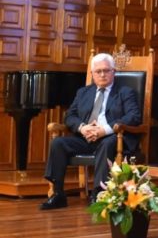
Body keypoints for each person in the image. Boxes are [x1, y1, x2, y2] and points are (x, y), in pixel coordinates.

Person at [40, 53, 141, 210]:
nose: (102, 74)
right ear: (92, 73)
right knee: (58, 143)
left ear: (113, 72)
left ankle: (99, 194)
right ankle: (58, 194)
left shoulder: (125, 92)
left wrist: (105, 130)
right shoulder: (83, 92)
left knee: (106, 144)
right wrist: (83, 127)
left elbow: (134, 116)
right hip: (85, 138)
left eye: (106, 70)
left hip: (114, 138)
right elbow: (70, 116)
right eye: (98, 71)